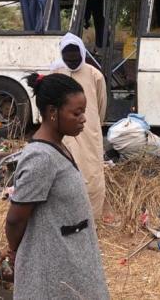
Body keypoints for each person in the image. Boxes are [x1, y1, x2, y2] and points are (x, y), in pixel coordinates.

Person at [3, 73, 109, 300]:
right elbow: (15, 218)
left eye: (84, 112)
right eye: (76, 113)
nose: (83, 119)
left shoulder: (58, 147)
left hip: (68, 255)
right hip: (54, 264)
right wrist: (14, 251)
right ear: (52, 112)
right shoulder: (41, 158)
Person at [51, 33, 107, 219]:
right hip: (63, 135)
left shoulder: (95, 75)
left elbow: (101, 105)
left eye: (76, 58)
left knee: (91, 175)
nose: (72, 61)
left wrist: (93, 125)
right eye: (68, 58)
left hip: (89, 132)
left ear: (82, 54)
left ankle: (92, 218)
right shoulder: (56, 73)